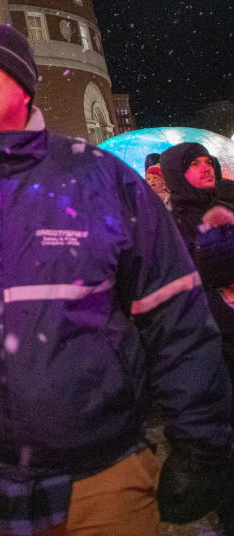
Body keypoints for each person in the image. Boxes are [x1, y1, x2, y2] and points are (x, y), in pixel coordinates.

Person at [0, 23, 232, 536]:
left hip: (98, 480)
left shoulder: (102, 180)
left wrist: (201, 440)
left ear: (24, 86)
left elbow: (174, 312)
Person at [160, 142, 234, 534]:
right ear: (176, 172)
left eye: (209, 162)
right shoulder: (174, 223)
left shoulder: (226, 208)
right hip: (214, 339)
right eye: (194, 164)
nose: (207, 169)